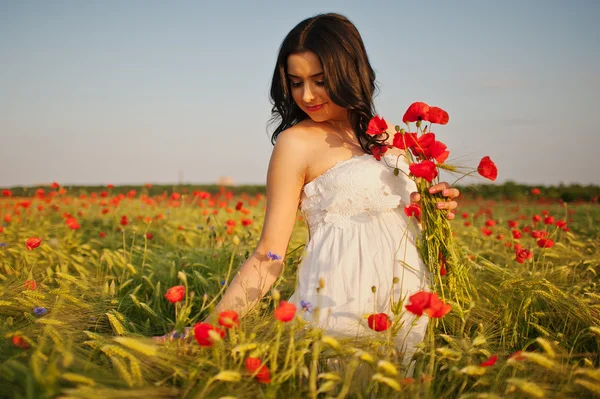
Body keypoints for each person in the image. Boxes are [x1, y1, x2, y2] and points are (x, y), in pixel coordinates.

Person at [154, 13, 459, 368]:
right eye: (296, 82)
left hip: (409, 298)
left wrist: (436, 211)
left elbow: (403, 224)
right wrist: (207, 331)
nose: (307, 95)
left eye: (320, 80)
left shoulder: (391, 135)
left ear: (351, 72)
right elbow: (268, 254)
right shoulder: (295, 143)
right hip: (341, 302)